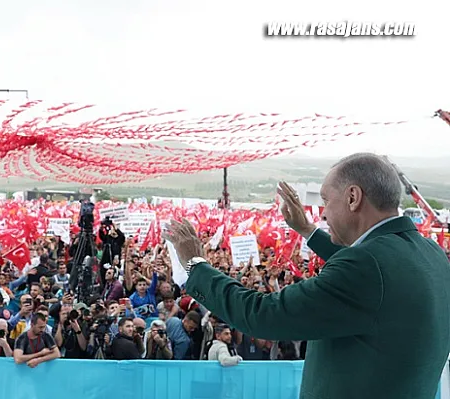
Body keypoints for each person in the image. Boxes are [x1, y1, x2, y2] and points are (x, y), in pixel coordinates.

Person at [165, 153, 450, 399]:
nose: (324, 214)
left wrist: (196, 264)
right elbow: (376, 273)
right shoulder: (431, 254)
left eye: (326, 200)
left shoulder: (365, 267)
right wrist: (308, 231)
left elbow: (264, 314)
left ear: (353, 198)